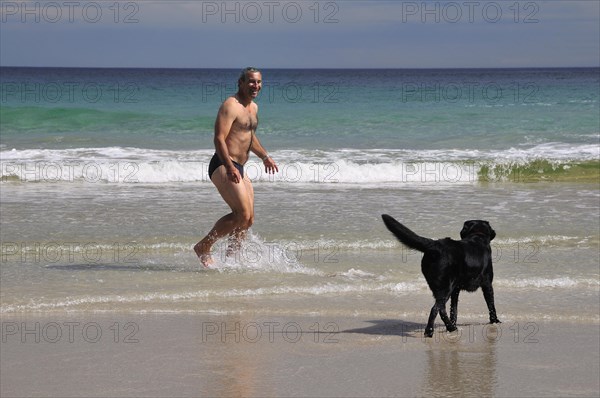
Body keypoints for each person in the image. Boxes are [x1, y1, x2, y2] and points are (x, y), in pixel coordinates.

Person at [195, 67, 278, 266]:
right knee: (240, 213)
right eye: (251, 81)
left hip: (239, 166)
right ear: (240, 83)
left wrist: (264, 156)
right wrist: (229, 166)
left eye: (258, 82)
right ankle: (203, 246)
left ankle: (233, 259)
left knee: (248, 219)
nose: (255, 86)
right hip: (223, 164)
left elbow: (248, 136)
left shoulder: (254, 108)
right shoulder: (230, 105)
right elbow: (219, 138)